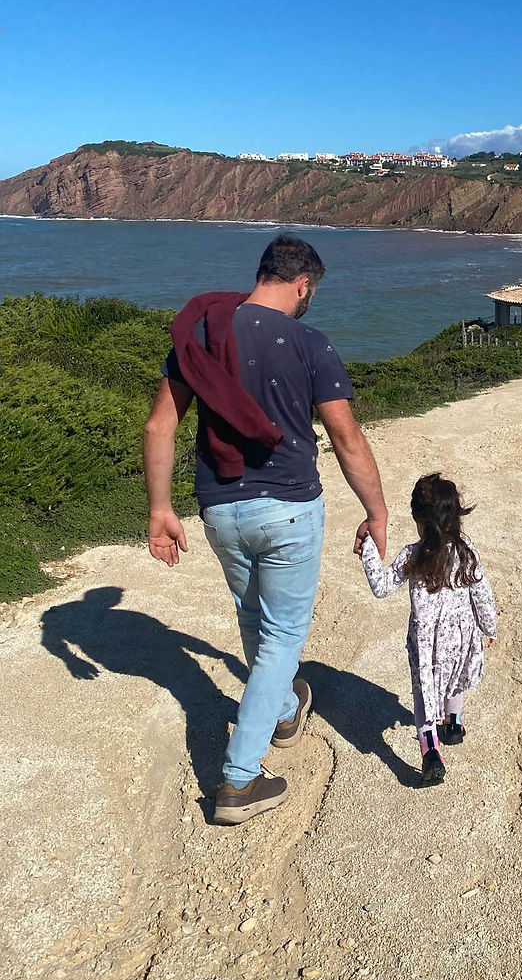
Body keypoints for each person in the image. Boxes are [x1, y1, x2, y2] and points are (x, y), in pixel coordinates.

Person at [143, 234, 388, 825]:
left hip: (220, 509)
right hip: (289, 510)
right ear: (302, 284)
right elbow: (346, 438)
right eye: (313, 292)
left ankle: (281, 708)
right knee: (281, 637)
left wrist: (159, 509)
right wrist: (377, 511)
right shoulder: (309, 342)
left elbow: (159, 426)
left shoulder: (203, 333)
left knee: (254, 619)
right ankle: (237, 780)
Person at [360, 473, 497, 787]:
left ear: (417, 519)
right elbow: (483, 595)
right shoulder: (466, 552)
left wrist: (368, 548)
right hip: (462, 639)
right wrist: (488, 628)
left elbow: (381, 588)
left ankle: (431, 750)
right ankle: (454, 723)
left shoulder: (413, 555)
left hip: (426, 645)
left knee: (426, 694)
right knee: (456, 679)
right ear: (455, 516)